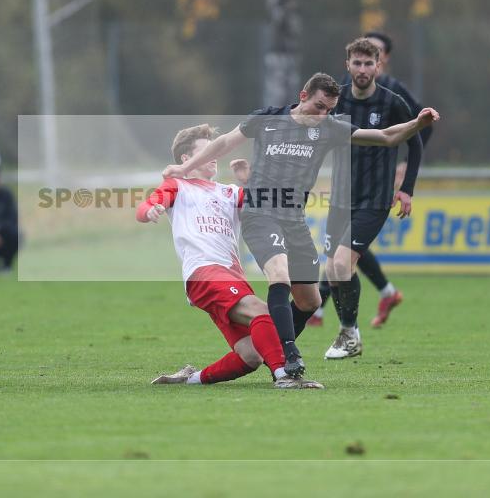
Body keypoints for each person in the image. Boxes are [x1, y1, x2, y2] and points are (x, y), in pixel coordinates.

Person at [163, 73, 439, 380]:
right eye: (319, 107)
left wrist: (417, 123)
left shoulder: (329, 128)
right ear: (303, 96)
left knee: (311, 300)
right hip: (260, 214)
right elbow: (224, 143)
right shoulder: (267, 119)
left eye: (329, 110)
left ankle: (265, 349)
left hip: (293, 220)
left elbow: (386, 136)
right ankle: (288, 359)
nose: (322, 116)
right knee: (279, 275)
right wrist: (183, 169)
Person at [139, 124, 322, 389]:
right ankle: (285, 376)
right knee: (263, 311)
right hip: (204, 272)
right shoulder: (177, 186)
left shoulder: (229, 192)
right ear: (186, 159)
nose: (213, 156)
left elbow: (265, 206)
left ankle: (188, 379)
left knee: (251, 354)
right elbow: (145, 205)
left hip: (230, 275)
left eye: (215, 151)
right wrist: (151, 210)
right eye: (205, 151)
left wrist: (249, 181)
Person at [315, 31, 434, 329]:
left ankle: (342, 326)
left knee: (343, 260)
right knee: (336, 264)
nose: (363, 69)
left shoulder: (393, 96)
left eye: (370, 62)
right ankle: (379, 295)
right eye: (358, 63)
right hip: (342, 195)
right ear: (348, 65)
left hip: (376, 193)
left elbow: (417, 135)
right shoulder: (336, 99)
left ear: (381, 63)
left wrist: (406, 184)